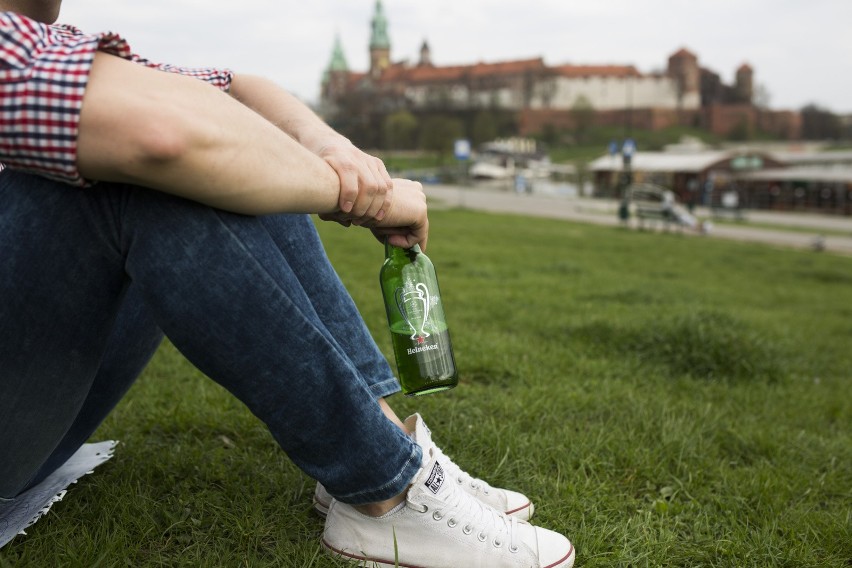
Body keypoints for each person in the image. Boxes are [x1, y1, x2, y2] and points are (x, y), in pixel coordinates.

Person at [0, 2, 576, 566]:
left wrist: (333, 150)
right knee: (162, 176)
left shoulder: (38, 44)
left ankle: (383, 444)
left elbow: (235, 93)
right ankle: (384, 487)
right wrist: (364, 197)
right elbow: (160, 137)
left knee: (235, 150)